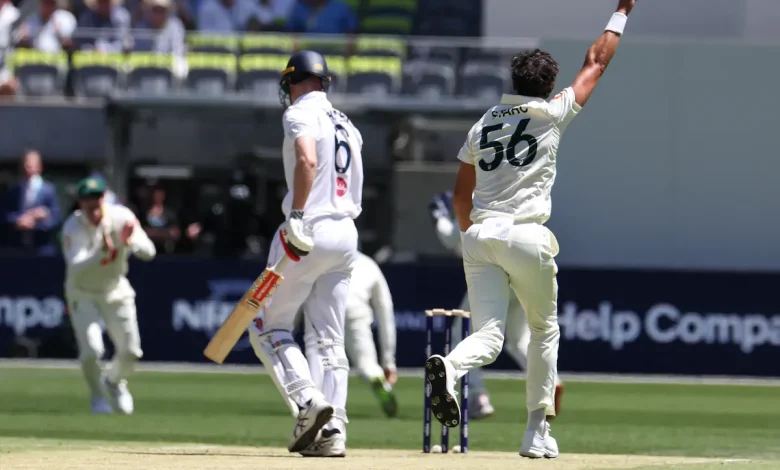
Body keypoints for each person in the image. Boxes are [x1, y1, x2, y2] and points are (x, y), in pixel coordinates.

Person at [425, 0, 638, 458]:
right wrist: (621, 10)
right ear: (548, 86)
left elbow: (461, 197)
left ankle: (450, 365)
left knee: (486, 337)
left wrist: (471, 238)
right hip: (526, 234)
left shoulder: (481, 126)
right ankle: (536, 432)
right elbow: (597, 60)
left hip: (479, 235)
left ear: (513, 83)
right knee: (543, 330)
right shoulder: (552, 112)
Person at [246, 50, 363, 457]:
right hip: (347, 235)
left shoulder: (300, 113)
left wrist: (297, 214)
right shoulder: (348, 125)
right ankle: (333, 431)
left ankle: (307, 401)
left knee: (265, 324)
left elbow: (306, 159)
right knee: (329, 337)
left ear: (293, 83)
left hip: (307, 230)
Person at [428, 191, 564, 420]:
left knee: (468, 332)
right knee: (521, 339)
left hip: (493, 272)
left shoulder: (478, 200)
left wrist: (438, 216)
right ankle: (550, 383)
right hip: (529, 258)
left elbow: (452, 236)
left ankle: (478, 397)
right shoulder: (515, 194)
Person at [61, 177, 156, 414]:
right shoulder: (72, 227)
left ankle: (113, 381)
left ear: (104, 199)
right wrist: (101, 253)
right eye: (87, 202)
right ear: (80, 203)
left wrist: (130, 242)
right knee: (92, 351)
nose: (93, 208)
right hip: (82, 293)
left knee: (132, 351)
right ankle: (97, 396)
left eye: (97, 201)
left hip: (115, 289)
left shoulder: (122, 218)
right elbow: (75, 266)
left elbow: (149, 252)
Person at [342, 250, 397, 417]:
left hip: (325, 309)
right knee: (367, 364)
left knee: (321, 356)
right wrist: (388, 362)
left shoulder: (324, 256)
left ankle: (314, 401)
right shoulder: (369, 264)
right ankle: (377, 378)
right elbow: (385, 311)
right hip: (356, 311)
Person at [3, 150, 62, 255]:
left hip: (42, 249)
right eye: (25, 165)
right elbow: (4, 214)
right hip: (17, 248)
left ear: (39, 167)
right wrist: (17, 220)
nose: (27, 168)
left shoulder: (48, 190)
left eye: (31, 165)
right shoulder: (14, 190)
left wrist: (37, 222)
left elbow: (56, 219)